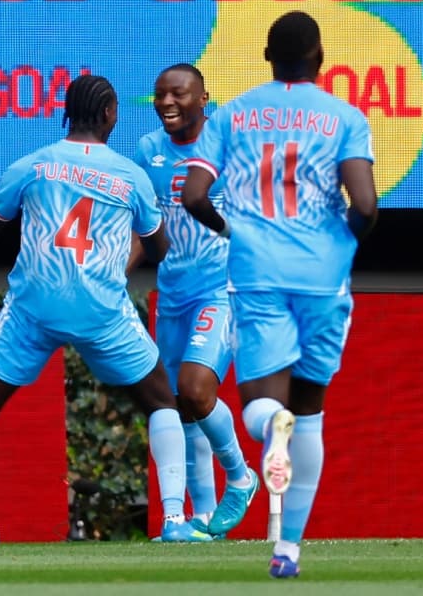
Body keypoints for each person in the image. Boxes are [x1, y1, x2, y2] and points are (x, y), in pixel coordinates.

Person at [0, 74, 215, 546]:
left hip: (33, 308)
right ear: (109, 114)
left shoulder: (33, 164)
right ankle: (173, 521)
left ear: (67, 110)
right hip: (102, 310)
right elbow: (160, 250)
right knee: (162, 403)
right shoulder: (131, 175)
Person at [179, 11, 378, 580]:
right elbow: (364, 206)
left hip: (258, 272)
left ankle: (272, 430)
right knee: (311, 411)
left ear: (267, 57)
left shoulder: (234, 114)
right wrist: (339, 246)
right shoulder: (345, 116)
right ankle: (288, 549)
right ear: (320, 58)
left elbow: (195, 195)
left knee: (262, 408)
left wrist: (235, 231)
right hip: (322, 276)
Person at [126, 64, 258, 538]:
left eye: (178, 94)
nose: (167, 103)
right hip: (173, 292)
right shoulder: (147, 151)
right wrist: (117, 277)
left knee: (198, 389)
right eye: (160, 95)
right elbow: (146, 226)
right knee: (182, 405)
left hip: (221, 288)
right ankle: (202, 518)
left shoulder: (230, 147)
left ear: (205, 99)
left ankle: (241, 478)